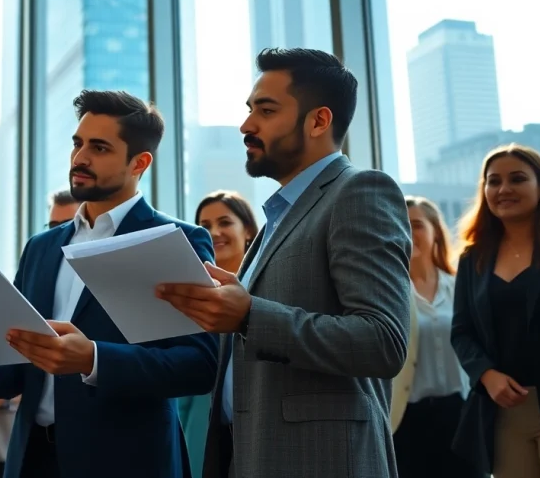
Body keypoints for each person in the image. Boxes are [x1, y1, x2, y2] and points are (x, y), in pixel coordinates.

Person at [156, 48, 412, 478]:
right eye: (249, 109)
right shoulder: (277, 221)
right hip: (250, 456)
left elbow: (383, 340)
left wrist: (249, 315)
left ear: (318, 121)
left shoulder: (359, 192)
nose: (246, 125)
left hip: (321, 461)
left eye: (266, 110)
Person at [0, 89, 219, 478]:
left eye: (100, 147)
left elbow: (201, 365)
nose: (80, 157)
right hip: (31, 459)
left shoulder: (176, 241)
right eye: (78, 143)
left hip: (127, 463)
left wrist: (94, 359)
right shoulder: (40, 248)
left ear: (139, 162)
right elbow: (21, 367)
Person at [449, 144, 540, 478]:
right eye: (493, 181)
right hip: (503, 411)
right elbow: (462, 332)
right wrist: (486, 375)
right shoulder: (473, 257)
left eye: (517, 179)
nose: (503, 189)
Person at [391, 197, 480, 478]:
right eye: (400, 224)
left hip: (460, 414)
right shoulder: (388, 294)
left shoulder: (460, 288)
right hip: (408, 419)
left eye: (416, 224)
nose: (407, 231)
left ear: (435, 233)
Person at [179, 191, 257, 478]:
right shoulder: (189, 297)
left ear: (248, 229)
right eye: (205, 225)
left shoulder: (268, 290)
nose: (215, 232)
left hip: (262, 435)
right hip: (201, 438)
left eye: (225, 222)